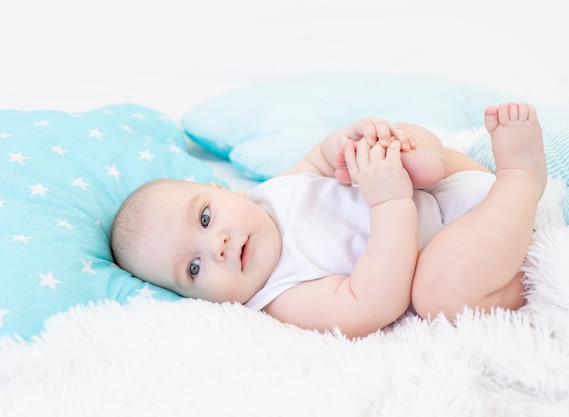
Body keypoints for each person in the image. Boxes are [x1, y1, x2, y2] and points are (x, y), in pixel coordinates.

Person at [110, 102, 547, 338]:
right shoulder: (282, 298)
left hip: (444, 182)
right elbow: (374, 301)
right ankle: (522, 178)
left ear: (225, 192)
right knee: (438, 295)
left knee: (403, 142)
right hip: (474, 238)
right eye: (193, 268)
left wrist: (354, 143)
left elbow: (321, 157)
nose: (216, 245)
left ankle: (426, 158)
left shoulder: (275, 191)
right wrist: (389, 203)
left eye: (205, 217)